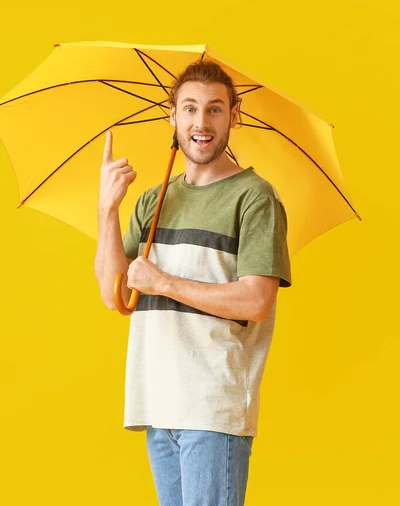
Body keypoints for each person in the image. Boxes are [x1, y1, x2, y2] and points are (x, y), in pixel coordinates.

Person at [94, 60, 292, 506]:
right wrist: (108, 209)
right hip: (156, 401)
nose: (201, 123)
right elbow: (114, 293)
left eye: (215, 109)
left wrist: (163, 280)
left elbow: (256, 301)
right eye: (190, 109)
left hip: (212, 404)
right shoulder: (152, 199)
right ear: (173, 116)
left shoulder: (254, 197)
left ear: (234, 115)